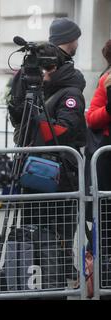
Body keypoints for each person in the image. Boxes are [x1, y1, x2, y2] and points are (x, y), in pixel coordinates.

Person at [9, 42, 87, 289]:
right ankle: (30, 280)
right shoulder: (40, 88)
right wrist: (19, 101)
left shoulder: (71, 93)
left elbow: (63, 130)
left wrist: (37, 114)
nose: (44, 72)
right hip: (33, 174)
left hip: (59, 177)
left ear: (59, 67)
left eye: (48, 67)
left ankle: (56, 283)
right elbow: (20, 121)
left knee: (55, 236)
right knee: (32, 231)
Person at [85, 39, 111, 287]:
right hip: (107, 164)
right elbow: (92, 119)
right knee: (105, 221)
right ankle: (102, 276)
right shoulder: (107, 80)